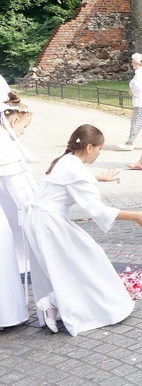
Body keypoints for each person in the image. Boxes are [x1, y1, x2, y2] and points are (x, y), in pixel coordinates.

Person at [24, 124, 142, 335]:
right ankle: (57, 302)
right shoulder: (75, 168)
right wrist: (135, 216)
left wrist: (99, 178)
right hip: (49, 223)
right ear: (89, 147)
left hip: (39, 219)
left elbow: (72, 178)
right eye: (99, 148)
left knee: (69, 263)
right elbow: (97, 210)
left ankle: (53, 303)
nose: (99, 153)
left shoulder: (65, 159)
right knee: (85, 259)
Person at [0, 92, 35, 330]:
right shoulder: (5, 145)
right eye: (24, 126)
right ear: (13, 120)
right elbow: (20, 192)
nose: (23, 132)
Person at [118, 53, 142, 151]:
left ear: (137, 62)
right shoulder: (141, 72)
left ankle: (130, 142)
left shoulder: (141, 73)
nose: (131, 63)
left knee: (136, 122)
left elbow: (139, 87)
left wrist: (132, 92)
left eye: (132, 61)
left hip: (141, 102)